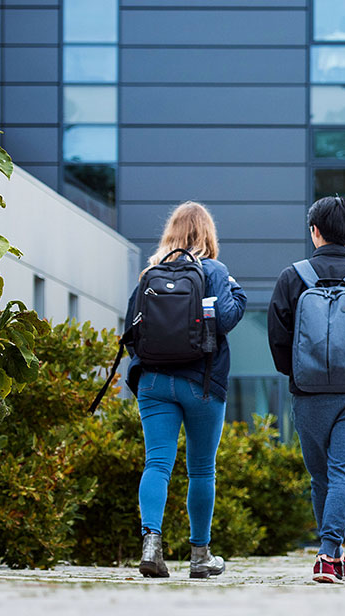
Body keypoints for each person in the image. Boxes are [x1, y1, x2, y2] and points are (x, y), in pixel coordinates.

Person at [127, 201, 247, 579]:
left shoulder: (151, 273)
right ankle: (199, 556)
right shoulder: (214, 270)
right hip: (202, 382)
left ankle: (151, 544)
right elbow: (225, 318)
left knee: (157, 463)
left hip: (154, 382)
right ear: (208, 234)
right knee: (201, 470)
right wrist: (237, 295)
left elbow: (132, 330)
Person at [267, 196, 345, 584]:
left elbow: (278, 338)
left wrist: (297, 375)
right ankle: (332, 554)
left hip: (308, 394)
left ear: (315, 231)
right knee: (344, 474)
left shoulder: (292, 278)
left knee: (321, 479)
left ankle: (330, 552)